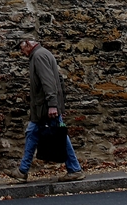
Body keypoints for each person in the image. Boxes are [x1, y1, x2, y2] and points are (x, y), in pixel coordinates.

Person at [15, 38, 84, 181]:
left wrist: (53, 105)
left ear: (28, 44)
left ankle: (75, 169)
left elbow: (48, 81)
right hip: (43, 108)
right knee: (33, 133)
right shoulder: (43, 54)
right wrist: (59, 103)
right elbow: (58, 79)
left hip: (45, 108)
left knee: (60, 137)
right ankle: (22, 171)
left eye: (22, 48)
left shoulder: (39, 56)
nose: (22, 52)